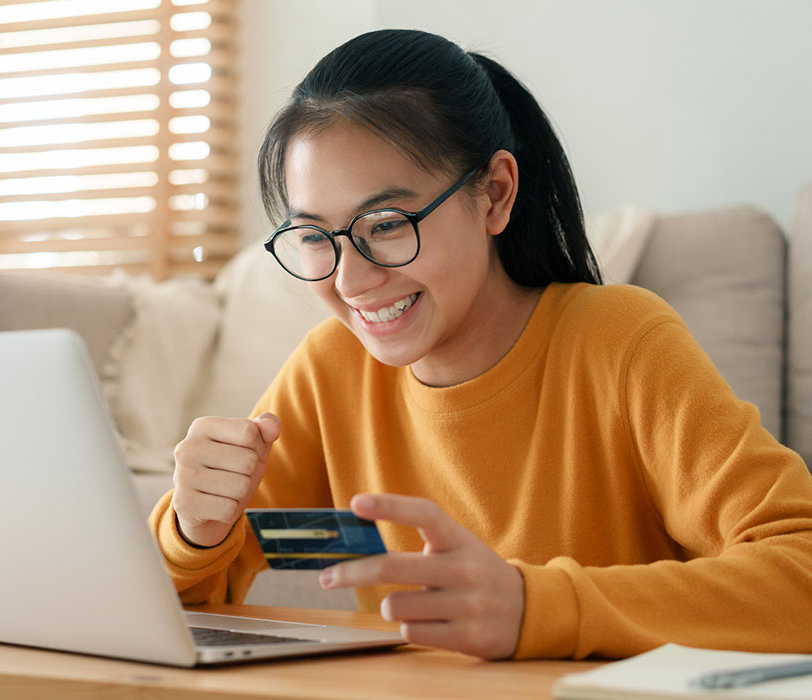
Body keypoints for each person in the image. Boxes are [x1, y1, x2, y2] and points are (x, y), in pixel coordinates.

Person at [149, 29, 812, 660]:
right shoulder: (331, 370)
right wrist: (191, 533)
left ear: (495, 194)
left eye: (386, 223)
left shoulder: (619, 341)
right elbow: (192, 599)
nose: (351, 280)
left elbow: (799, 573)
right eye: (316, 238)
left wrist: (536, 606)